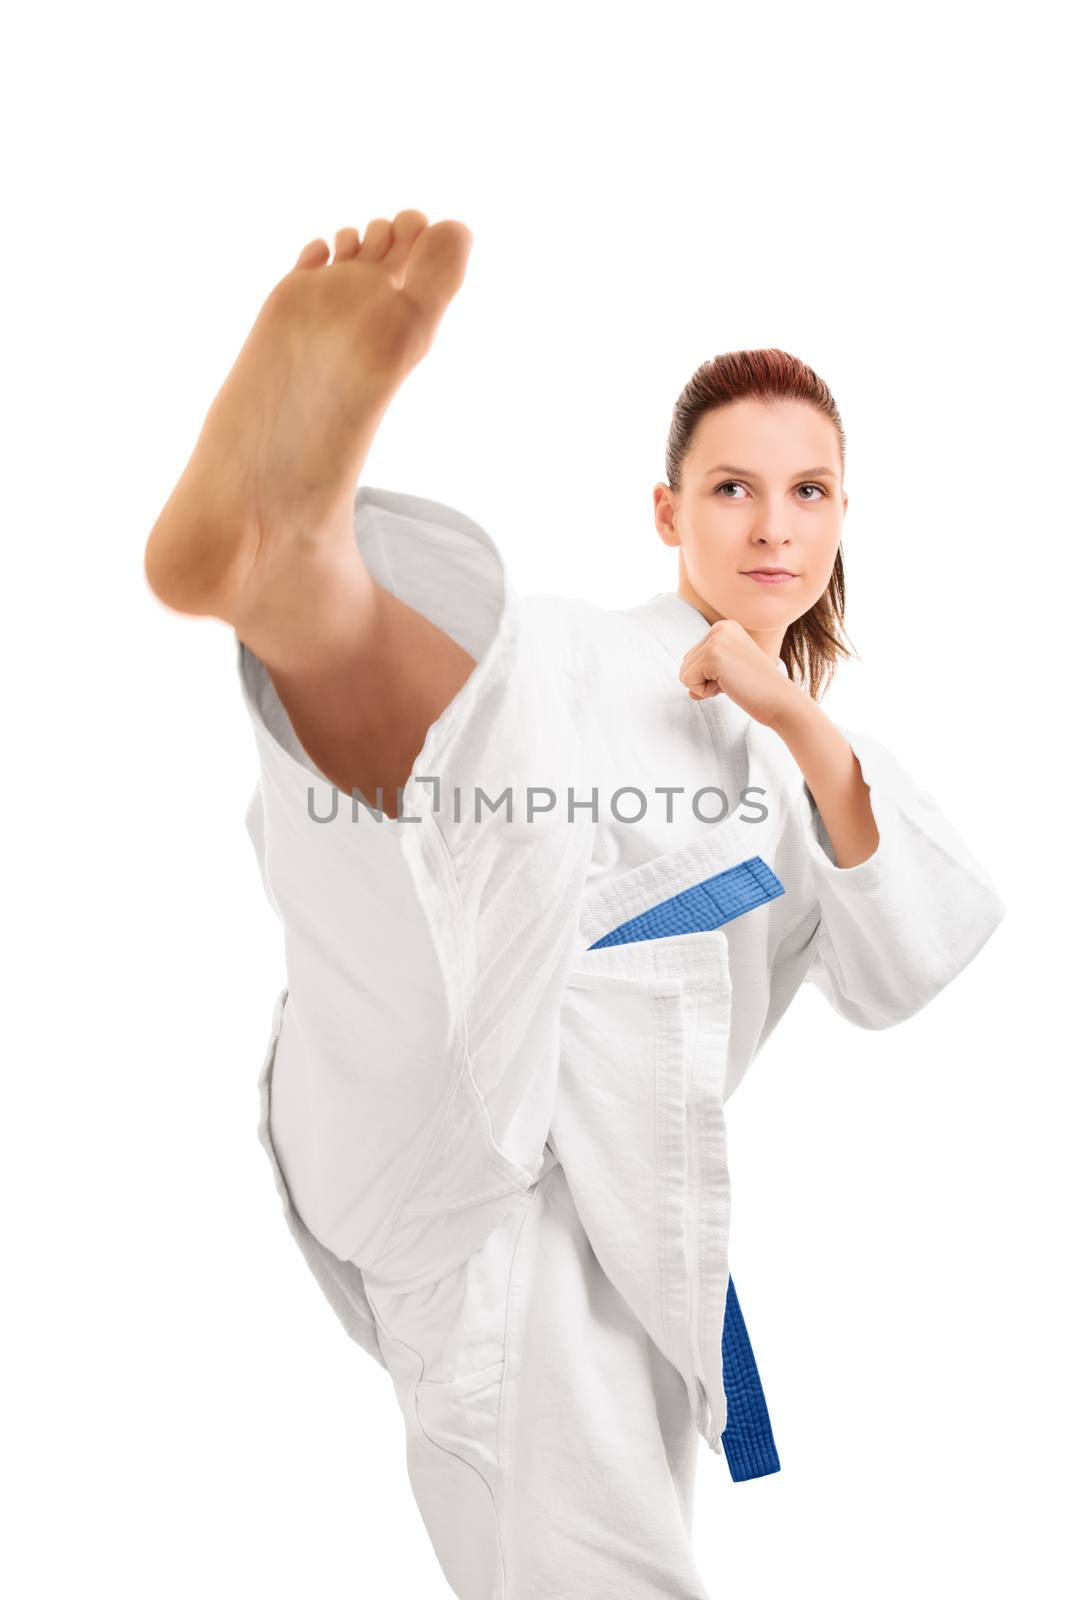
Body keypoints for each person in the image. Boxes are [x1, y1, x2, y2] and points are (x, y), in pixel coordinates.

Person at [143, 210, 1006, 1600]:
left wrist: (794, 717)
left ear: (844, 519)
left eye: (807, 492)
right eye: (731, 489)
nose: (772, 524)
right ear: (669, 514)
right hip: (426, 1036)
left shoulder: (825, 770)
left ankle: (295, 580)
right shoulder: (567, 647)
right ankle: (297, 579)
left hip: (560, 1226)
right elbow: (323, 828)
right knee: (492, 781)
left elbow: (908, 964)